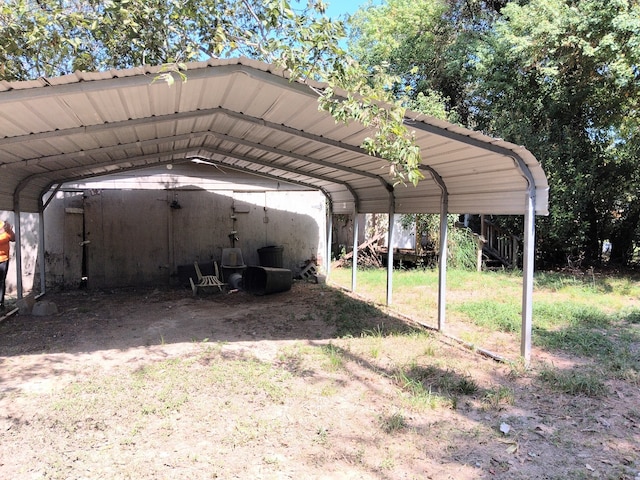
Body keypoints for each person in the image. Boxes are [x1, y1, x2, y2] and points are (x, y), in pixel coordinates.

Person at [0, 219, 16, 310]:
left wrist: (9, 230)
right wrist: (2, 231)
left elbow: (13, 238)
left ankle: (1, 303)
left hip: (3, 260)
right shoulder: (3, 228)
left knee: (1, 282)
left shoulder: (3, 224)